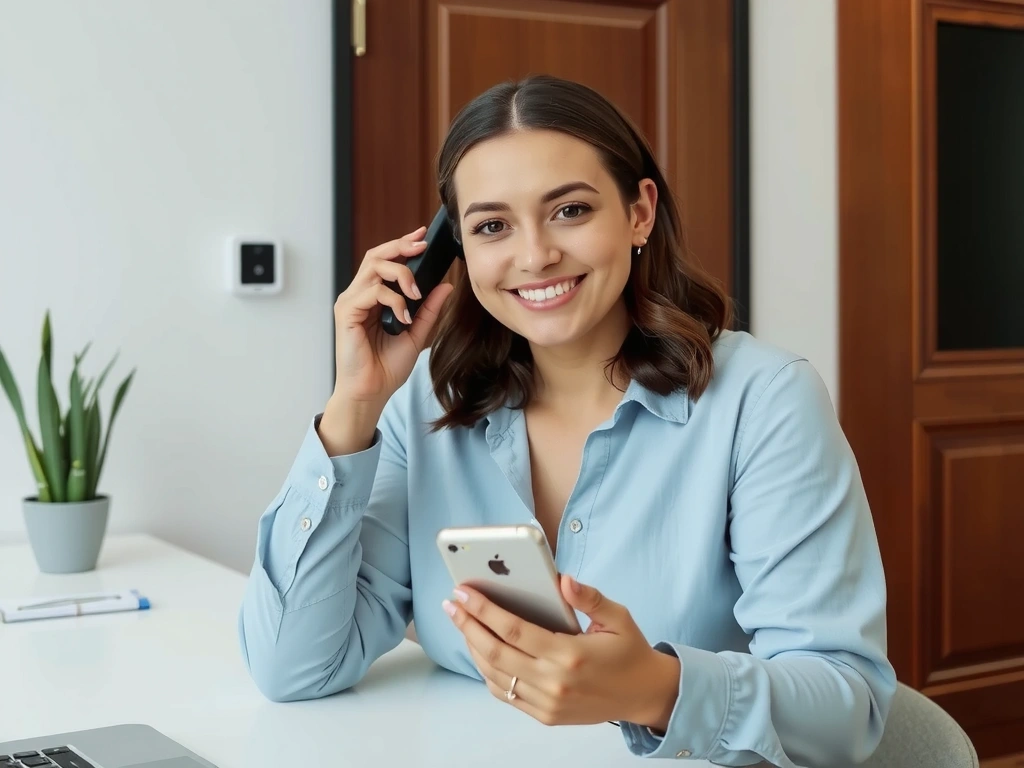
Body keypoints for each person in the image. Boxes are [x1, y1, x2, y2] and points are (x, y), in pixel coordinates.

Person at [238, 74, 895, 767]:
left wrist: (657, 691)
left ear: (640, 212)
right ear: (453, 250)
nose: (534, 256)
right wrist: (354, 407)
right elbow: (293, 667)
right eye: (492, 226)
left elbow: (847, 708)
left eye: (570, 211)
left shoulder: (763, 402)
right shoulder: (429, 402)